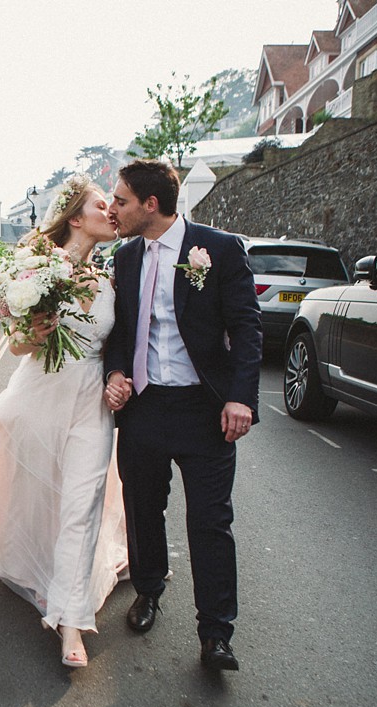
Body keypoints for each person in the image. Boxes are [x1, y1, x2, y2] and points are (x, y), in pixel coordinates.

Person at [0, 173, 125, 669]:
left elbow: (118, 345)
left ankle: (70, 623)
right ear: (76, 218)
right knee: (43, 499)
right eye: (102, 204)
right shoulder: (36, 269)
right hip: (39, 399)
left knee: (82, 505)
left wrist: (119, 378)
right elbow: (17, 344)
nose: (112, 210)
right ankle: (45, 575)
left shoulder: (111, 279)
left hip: (90, 407)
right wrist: (36, 330)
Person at [102, 159, 262, 671]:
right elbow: (119, 332)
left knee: (211, 522)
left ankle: (216, 633)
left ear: (151, 205)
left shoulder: (216, 249)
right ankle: (148, 591)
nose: (114, 208)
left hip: (204, 410)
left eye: (122, 200)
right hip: (146, 409)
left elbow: (247, 326)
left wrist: (241, 397)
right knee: (144, 509)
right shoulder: (125, 260)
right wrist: (117, 372)